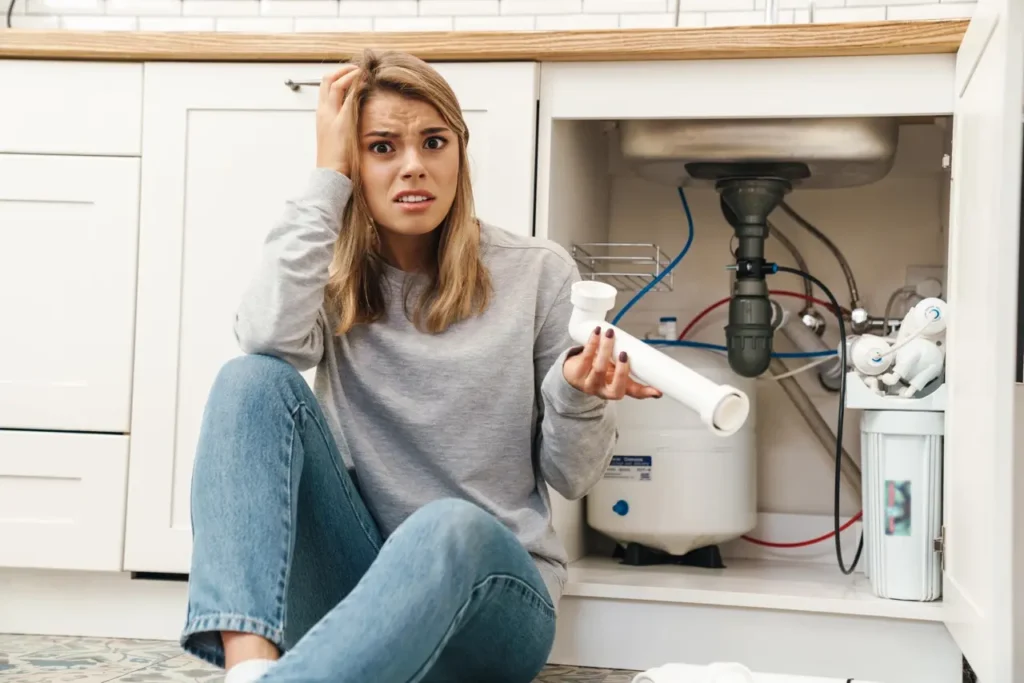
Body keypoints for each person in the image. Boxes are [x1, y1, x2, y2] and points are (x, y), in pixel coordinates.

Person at [179, 49, 661, 683]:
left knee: (448, 523)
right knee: (249, 380)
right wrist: (327, 175)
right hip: (357, 588)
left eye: (433, 142)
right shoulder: (328, 275)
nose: (413, 167)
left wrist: (577, 392)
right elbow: (265, 335)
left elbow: (573, 477)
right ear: (355, 163)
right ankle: (249, 674)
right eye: (382, 148)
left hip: (492, 600)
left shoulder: (540, 274)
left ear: (459, 153)